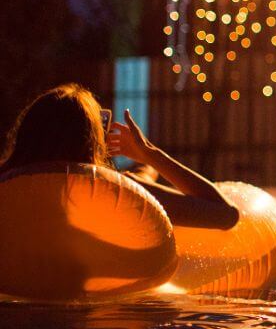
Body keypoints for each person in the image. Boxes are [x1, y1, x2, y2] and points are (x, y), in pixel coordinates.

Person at [0, 84, 238, 229]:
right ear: (91, 141)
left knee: (140, 176)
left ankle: (144, 171)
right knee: (139, 177)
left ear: (27, 134)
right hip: (94, 309)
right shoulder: (110, 190)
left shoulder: (7, 182)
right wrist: (151, 155)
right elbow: (225, 215)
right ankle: (144, 170)